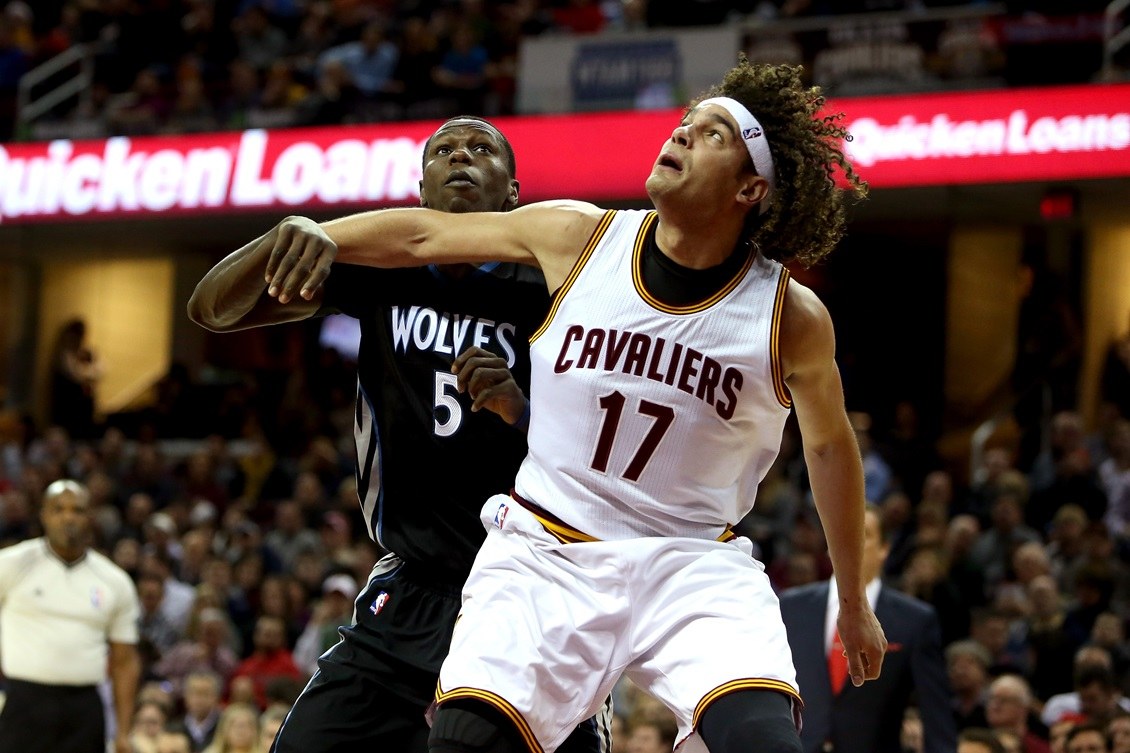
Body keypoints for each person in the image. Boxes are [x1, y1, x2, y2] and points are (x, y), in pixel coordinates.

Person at [244, 58, 886, 753]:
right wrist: (325, 232)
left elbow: (829, 447)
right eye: (684, 124)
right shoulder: (579, 237)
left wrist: (851, 599)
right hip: (550, 550)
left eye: (711, 135)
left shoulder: (790, 315)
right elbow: (425, 236)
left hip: (691, 561)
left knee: (764, 742)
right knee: (460, 742)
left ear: (750, 187)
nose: (682, 134)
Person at [188, 115, 610, 753]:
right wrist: (286, 235)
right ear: (421, 190)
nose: (460, 157)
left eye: (479, 148)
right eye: (443, 150)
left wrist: (520, 409)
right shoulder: (381, 274)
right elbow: (212, 308)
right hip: (412, 585)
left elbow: (603, 450)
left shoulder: (558, 290)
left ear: (515, 194)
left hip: (528, 587)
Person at [779, 505, 956, 753]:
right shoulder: (791, 607)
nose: (850, 541)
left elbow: (936, 715)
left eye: (863, 534)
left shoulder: (914, 620)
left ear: (884, 549)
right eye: (842, 533)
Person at [0, 479, 141, 753]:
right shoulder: (12, 564)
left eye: (77, 510)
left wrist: (123, 731)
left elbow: (125, 661)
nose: (68, 517)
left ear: (89, 517)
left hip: (84, 706)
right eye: (58, 509)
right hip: (24, 701)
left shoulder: (114, 581)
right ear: (44, 515)